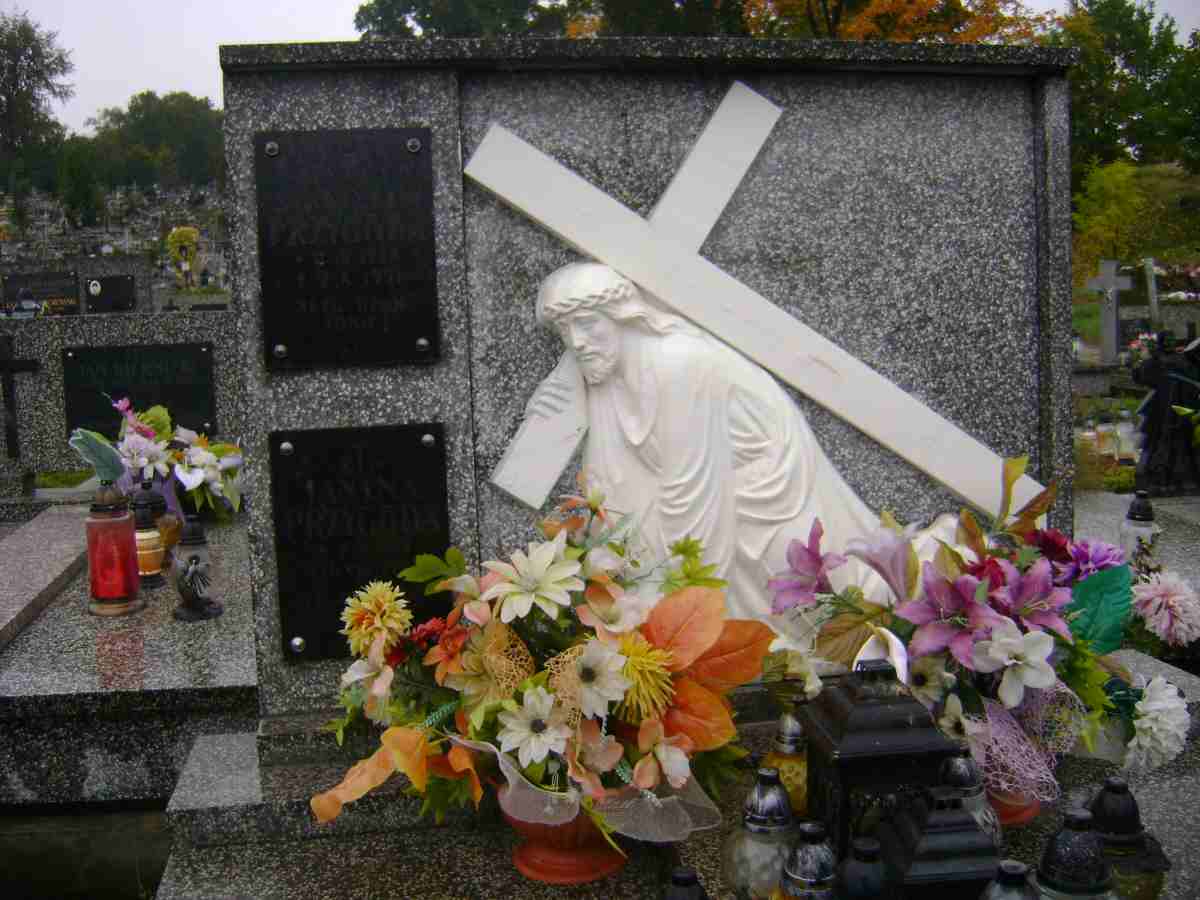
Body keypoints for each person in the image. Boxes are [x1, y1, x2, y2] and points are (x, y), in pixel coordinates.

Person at [530, 262, 954, 630]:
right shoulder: (610, 378)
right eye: (565, 330)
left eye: (587, 323)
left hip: (768, 494)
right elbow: (609, 484)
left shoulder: (679, 361)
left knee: (833, 609)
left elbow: (691, 489)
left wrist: (681, 602)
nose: (575, 341)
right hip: (717, 498)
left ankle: (941, 576)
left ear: (624, 315)